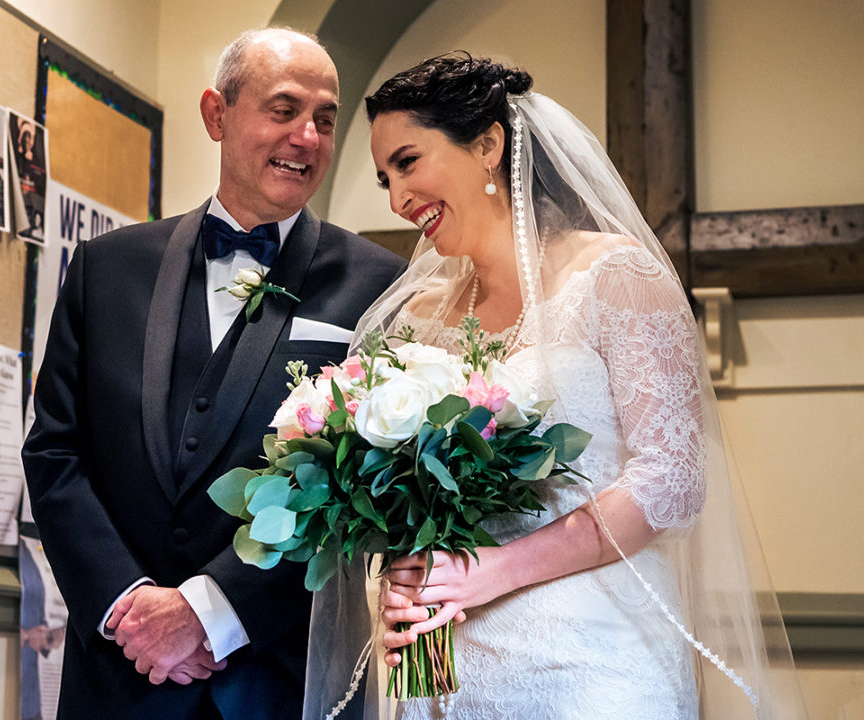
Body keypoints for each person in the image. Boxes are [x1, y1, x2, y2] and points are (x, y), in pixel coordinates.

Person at [308, 54, 804, 719]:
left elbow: (671, 479)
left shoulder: (614, 276)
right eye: (384, 179)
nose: (398, 200)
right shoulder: (417, 318)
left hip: (595, 670)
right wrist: (407, 574)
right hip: (447, 678)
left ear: (487, 144)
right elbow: (410, 498)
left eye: (408, 162)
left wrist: (489, 570)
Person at [22, 27, 405, 720]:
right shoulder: (106, 269)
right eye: (284, 110)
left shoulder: (382, 287)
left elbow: (363, 489)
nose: (309, 138)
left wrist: (213, 610)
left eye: (324, 118)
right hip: (118, 677)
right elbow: (55, 451)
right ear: (216, 114)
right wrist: (125, 605)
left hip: (283, 682)